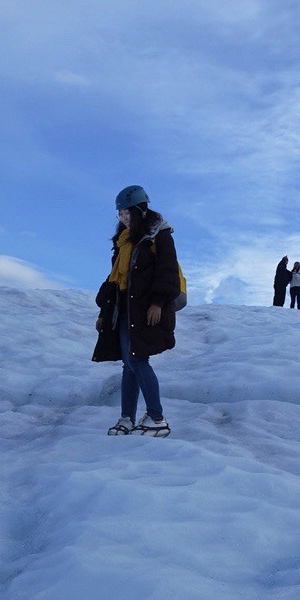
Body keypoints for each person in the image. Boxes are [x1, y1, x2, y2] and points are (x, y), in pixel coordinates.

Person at [93, 184, 179, 435]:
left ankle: (157, 417)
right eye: (120, 214)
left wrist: (158, 303)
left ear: (141, 210)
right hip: (123, 307)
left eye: (127, 213)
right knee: (129, 364)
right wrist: (103, 313)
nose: (123, 218)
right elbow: (113, 279)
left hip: (144, 307)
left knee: (138, 360)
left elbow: (168, 271)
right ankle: (127, 418)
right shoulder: (123, 241)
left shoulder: (158, 236)